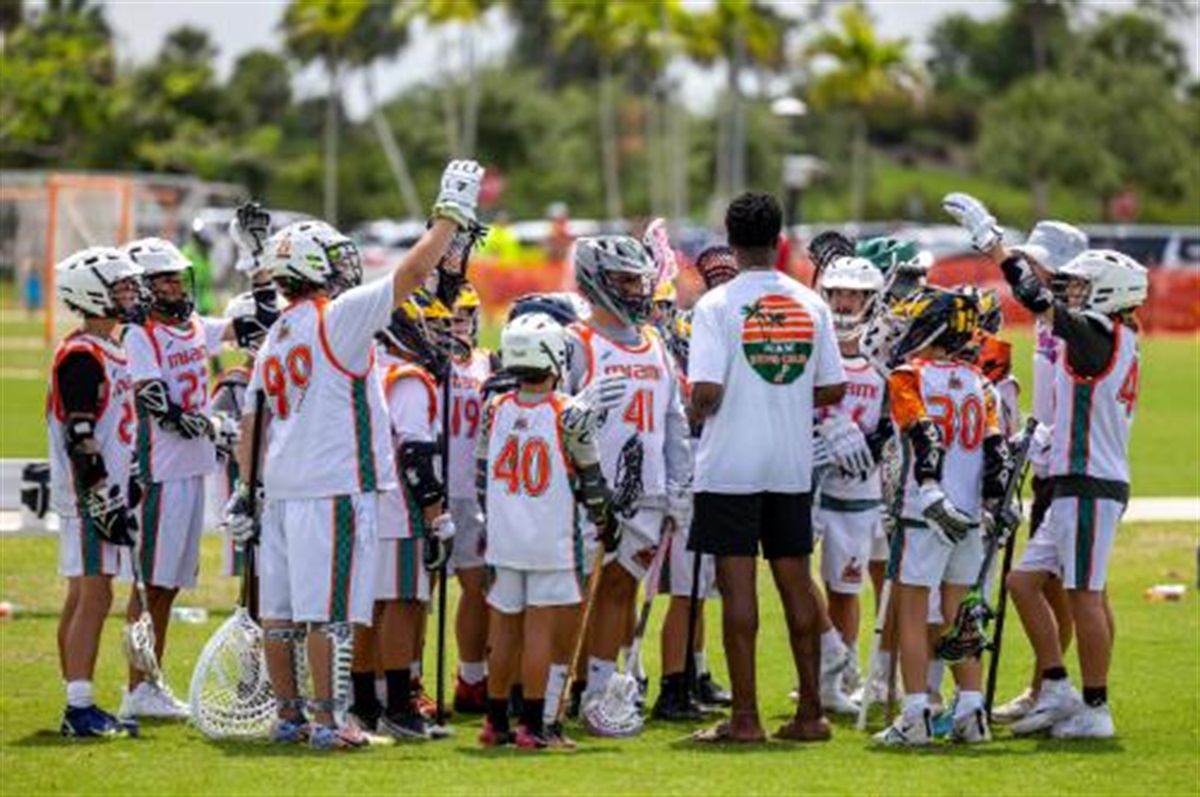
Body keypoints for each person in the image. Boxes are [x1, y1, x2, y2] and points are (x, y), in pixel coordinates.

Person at [223, 160, 484, 751]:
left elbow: (251, 421)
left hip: (282, 489)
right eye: (336, 260)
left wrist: (244, 488)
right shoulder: (334, 318)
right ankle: (327, 721)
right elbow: (414, 272)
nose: (346, 269)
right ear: (313, 268)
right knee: (330, 613)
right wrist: (450, 212)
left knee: (283, 615)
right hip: (334, 484)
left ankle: (289, 716)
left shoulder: (279, 332)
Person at [687, 191, 848, 744]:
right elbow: (833, 385)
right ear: (780, 242)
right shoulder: (811, 302)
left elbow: (705, 390)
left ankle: (746, 718)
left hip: (729, 463)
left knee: (738, 592)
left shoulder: (715, 305)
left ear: (730, 243)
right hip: (790, 463)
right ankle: (811, 714)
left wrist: (691, 411)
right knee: (796, 583)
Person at [119, 237, 277, 719]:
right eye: (164, 278)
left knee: (167, 587)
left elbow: (260, 323)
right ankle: (137, 687)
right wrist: (209, 424)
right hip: (158, 474)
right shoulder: (138, 335)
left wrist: (258, 261)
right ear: (145, 286)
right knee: (149, 589)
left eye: (176, 277)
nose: (174, 285)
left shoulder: (190, 326)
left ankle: (151, 682)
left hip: (190, 471)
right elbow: (156, 404)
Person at [1001, 249, 1144, 739]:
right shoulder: (1114, 335)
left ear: (1110, 289)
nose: (1073, 293)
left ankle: (1096, 707)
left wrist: (996, 247)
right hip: (1075, 480)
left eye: (1083, 286)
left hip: (1089, 481)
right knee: (1023, 583)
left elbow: (1033, 297)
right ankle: (1057, 685)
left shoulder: (1099, 334)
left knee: (1086, 594)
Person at [864, 286, 1010, 747]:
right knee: (960, 612)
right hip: (968, 513)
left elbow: (922, 432)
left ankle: (916, 714)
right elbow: (996, 451)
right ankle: (970, 708)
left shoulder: (909, 375)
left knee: (911, 609)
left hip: (922, 510)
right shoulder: (979, 382)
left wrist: (927, 486)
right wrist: (994, 504)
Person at [563, 236, 692, 721]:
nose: (637, 290)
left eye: (640, 280)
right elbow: (551, 413)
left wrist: (682, 483)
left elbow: (674, 419)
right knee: (576, 591)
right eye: (625, 280)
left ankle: (598, 690)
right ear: (597, 279)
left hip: (647, 492)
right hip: (589, 492)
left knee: (620, 589)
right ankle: (557, 687)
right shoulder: (575, 341)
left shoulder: (655, 343)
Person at [476, 312, 617, 749]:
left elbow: (482, 476)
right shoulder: (571, 413)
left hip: (504, 538)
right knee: (538, 629)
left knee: (503, 628)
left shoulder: (494, 408)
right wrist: (604, 517)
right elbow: (592, 480)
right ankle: (534, 726)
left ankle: (495, 722)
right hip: (550, 538)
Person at [347, 296, 454, 740]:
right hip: (399, 509)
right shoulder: (407, 379)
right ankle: (396, 706)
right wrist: (435, 515)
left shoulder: (365, 371)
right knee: (402, 604)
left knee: (370, 607)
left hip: (366, 505)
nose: (429, 336)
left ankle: (365, 704)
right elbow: (415, 455)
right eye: (422, 326)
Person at [50, 247, 144, 738]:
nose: (132, 294)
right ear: (91, 293)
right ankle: (79, 707)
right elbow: (80, 433)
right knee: (95, 595)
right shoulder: (83, 353)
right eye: (121, 287)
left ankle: (77, 698)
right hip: (90, 494)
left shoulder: (111, 347)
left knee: (81, 595)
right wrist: (102, 492)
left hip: (101, 490)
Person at [811, 256, 894, 715]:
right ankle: (827, 659)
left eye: (854, 295)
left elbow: (891, 427)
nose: (844, 302)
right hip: (807, 485)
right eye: (837, 293)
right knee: (796, 576)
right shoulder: (813, 357)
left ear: (871, 301)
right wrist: (820, 430)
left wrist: (868, 441)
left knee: (845, 588)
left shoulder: (879, 367)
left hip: (856, 494)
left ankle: (838, 676)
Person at [445, 285, 495, 715]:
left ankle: (472, 676)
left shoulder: (488, 364)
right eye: (449, 317)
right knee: (415, 594)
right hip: (433, 490)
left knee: (477, 587)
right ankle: (404, 678)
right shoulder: (425, 365)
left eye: (463, 316)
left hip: (473, 491)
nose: (456, 325)